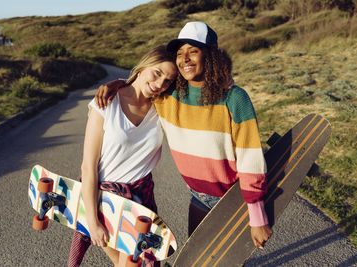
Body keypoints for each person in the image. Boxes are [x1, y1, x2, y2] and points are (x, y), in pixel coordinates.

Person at [95, 21, 273, 248]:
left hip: (233, 199)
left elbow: (251, 158)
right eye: (179, 53)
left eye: (193, 51)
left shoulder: (234, 98)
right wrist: (118, 85)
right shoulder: (169, 95)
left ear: (210, 56)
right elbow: (144, 87)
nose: (184, 59)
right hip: (198, 196)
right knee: (199, 258)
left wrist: (257, 216)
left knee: (228, 261)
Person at [67, 45, 177, 267]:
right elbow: (88, 166)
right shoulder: (106, 103)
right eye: (157, 73)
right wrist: (91, 220)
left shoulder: (162, 107)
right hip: (106, 202)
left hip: (141, 202)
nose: (159, 84)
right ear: (143, 66)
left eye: (167, 81)